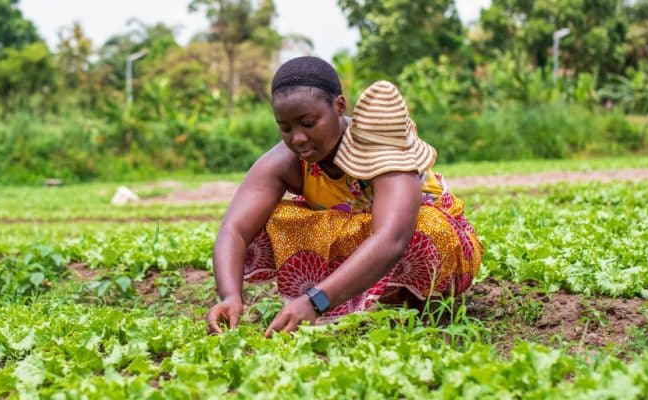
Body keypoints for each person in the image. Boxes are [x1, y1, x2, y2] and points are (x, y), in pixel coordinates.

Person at [206, 56, 482, 337]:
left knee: (427, 229)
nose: (298, 138)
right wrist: (230, 296)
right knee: (273, 220)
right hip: (360, 246)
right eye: (286, 128)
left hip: (423, 248)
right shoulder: (288, 160)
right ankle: (349, 301)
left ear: (339, 107)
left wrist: (316, 302)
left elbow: (392, 239)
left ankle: (418, 306)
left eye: (308, 123)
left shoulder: (382, 145)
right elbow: (235, 229)